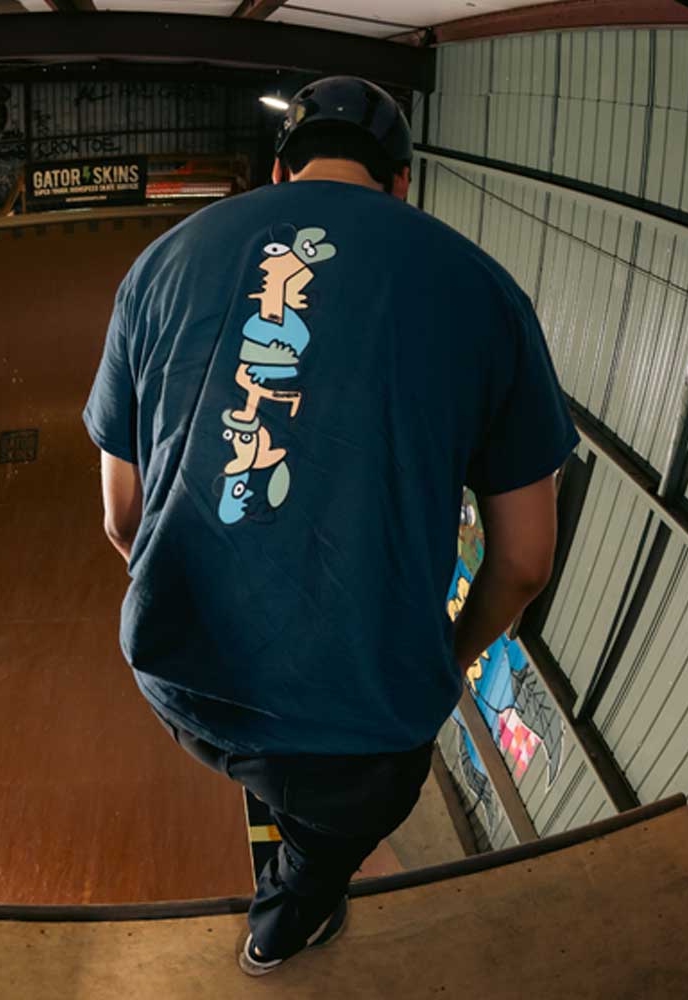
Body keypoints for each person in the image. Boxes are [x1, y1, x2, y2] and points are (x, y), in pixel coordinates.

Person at [83, 75, 579, 976]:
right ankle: (282, 925)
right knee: (327, 835)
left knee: (262, 760)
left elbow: (122, 517)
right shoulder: (484, 292)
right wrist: (446, 662)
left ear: (280, 171)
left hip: (180, 679)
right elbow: (525, 562)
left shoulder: (158, 266)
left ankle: (281, 805)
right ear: (402, 184)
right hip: (362, 725)